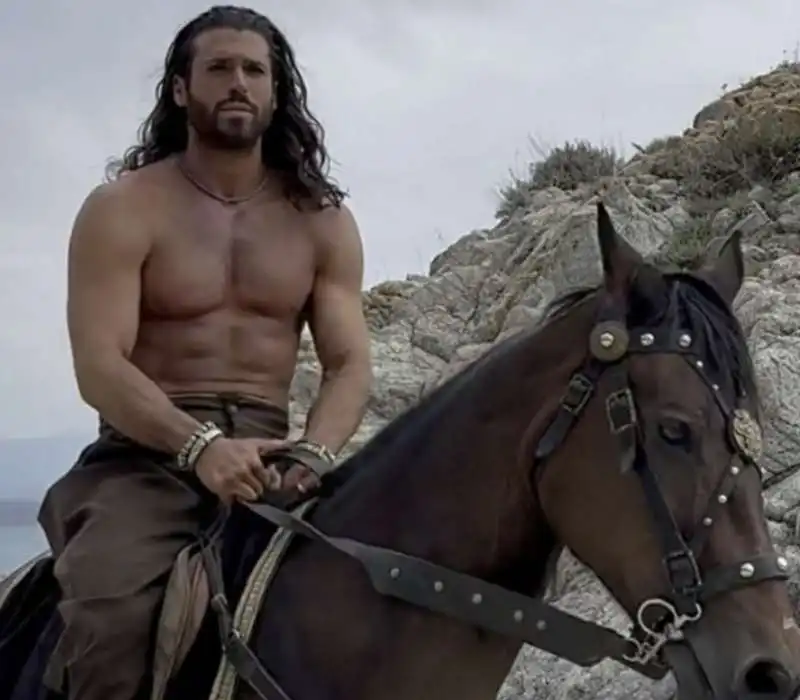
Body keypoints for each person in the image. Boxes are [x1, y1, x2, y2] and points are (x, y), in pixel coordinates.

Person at [36, 6, 373, 700]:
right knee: (108, 622)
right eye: (219, 68)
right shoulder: (124, 208)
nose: (238, 83)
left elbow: (348, 364)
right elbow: (99, 366)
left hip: (274, 458)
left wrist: (314, 455)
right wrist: (200, 447)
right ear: (181, 89)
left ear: (276, 91)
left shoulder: (323, 221)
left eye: (254, 70)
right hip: (143, 460)